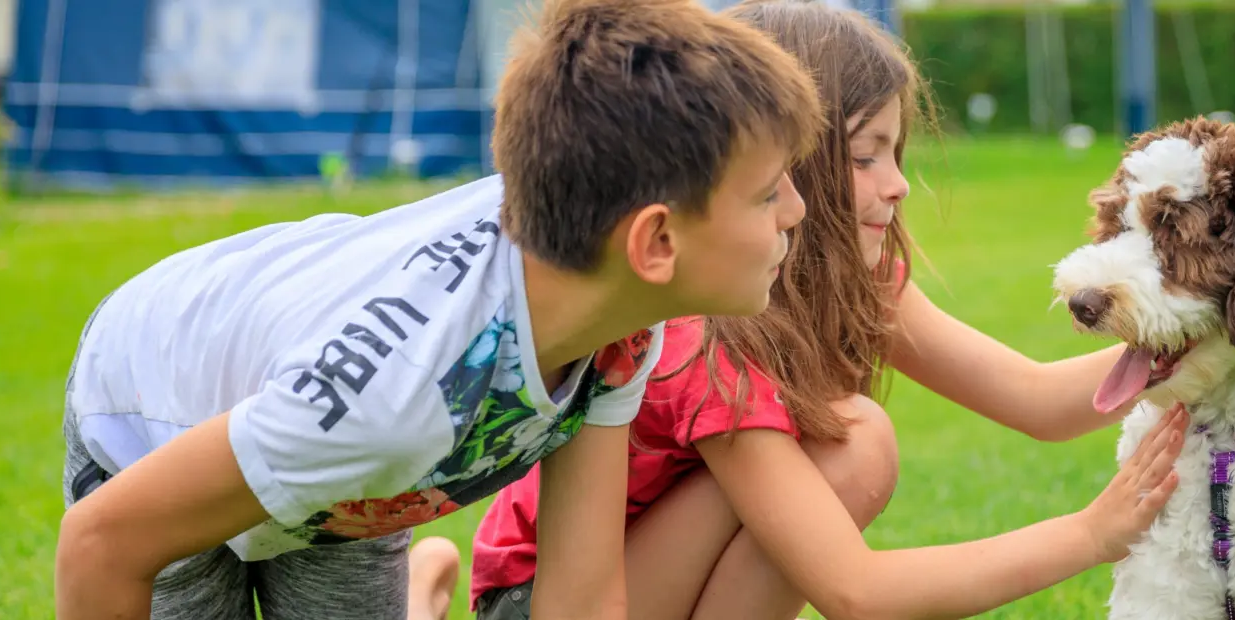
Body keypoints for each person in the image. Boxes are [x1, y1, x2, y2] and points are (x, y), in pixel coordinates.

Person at [408, 1, 1189, 619]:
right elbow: (857, 595)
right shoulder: (698, 329)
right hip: (543, 603)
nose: (898, 184)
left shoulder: (853, 275)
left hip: (638, 574)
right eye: (862, 156)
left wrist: (1200, 344)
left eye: (896, 153)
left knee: (847, 443)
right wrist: (1090, 535)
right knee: (854, 442)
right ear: (777, 161)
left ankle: (419, 595)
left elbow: (1037, 400)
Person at [52, 0, 828, 618]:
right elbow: (102, 542)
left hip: (341, 478)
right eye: (768, 193)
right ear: (654, 240)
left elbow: (582, 599)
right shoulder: (392, 398)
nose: (796, 209)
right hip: (162, 413)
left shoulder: (614, 309)